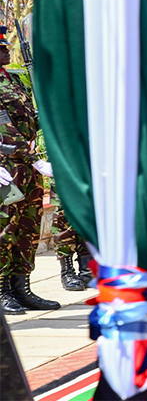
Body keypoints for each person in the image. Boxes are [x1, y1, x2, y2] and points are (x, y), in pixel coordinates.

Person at [0, 26, 59, 314]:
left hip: (27, 165)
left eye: (5, 45)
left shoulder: (13, 79)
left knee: (27, 229)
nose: (5, 50)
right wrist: (30, 157)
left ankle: (21, 288)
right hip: (7, 165)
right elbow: (4, 127)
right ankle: (2, 291)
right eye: (0, 47)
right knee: (5, 230)